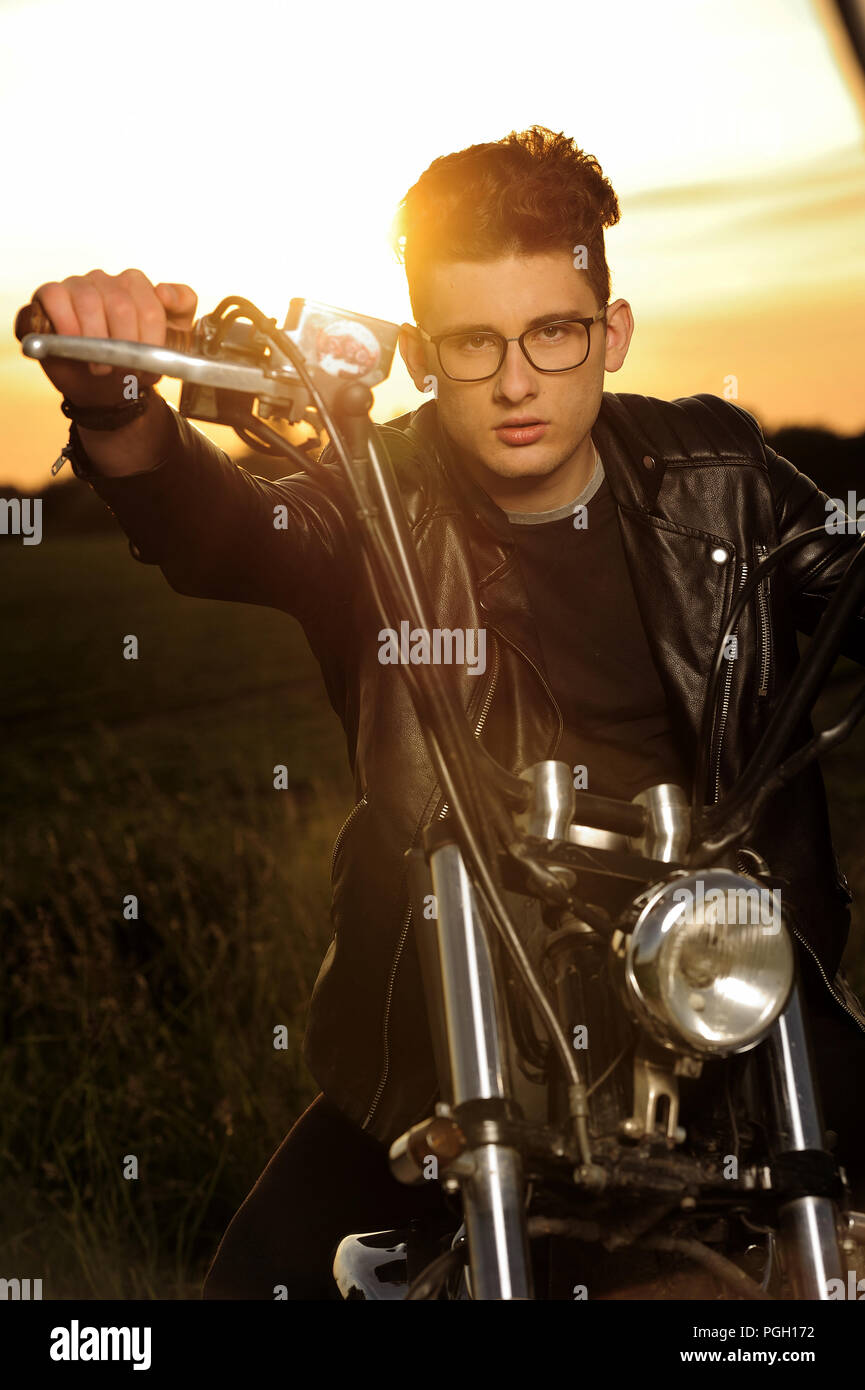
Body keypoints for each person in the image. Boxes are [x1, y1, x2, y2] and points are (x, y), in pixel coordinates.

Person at [31, 126, 865, 1300]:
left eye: (553, 331)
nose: (516, 379)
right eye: (473, 342)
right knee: (252, 1290)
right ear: (421, 352)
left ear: (609, 331)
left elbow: (845, 575)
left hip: (734, 1015)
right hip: (456, 1041)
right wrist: (121, 408)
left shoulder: (716, 472)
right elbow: (217, 521)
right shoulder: (375, 496)